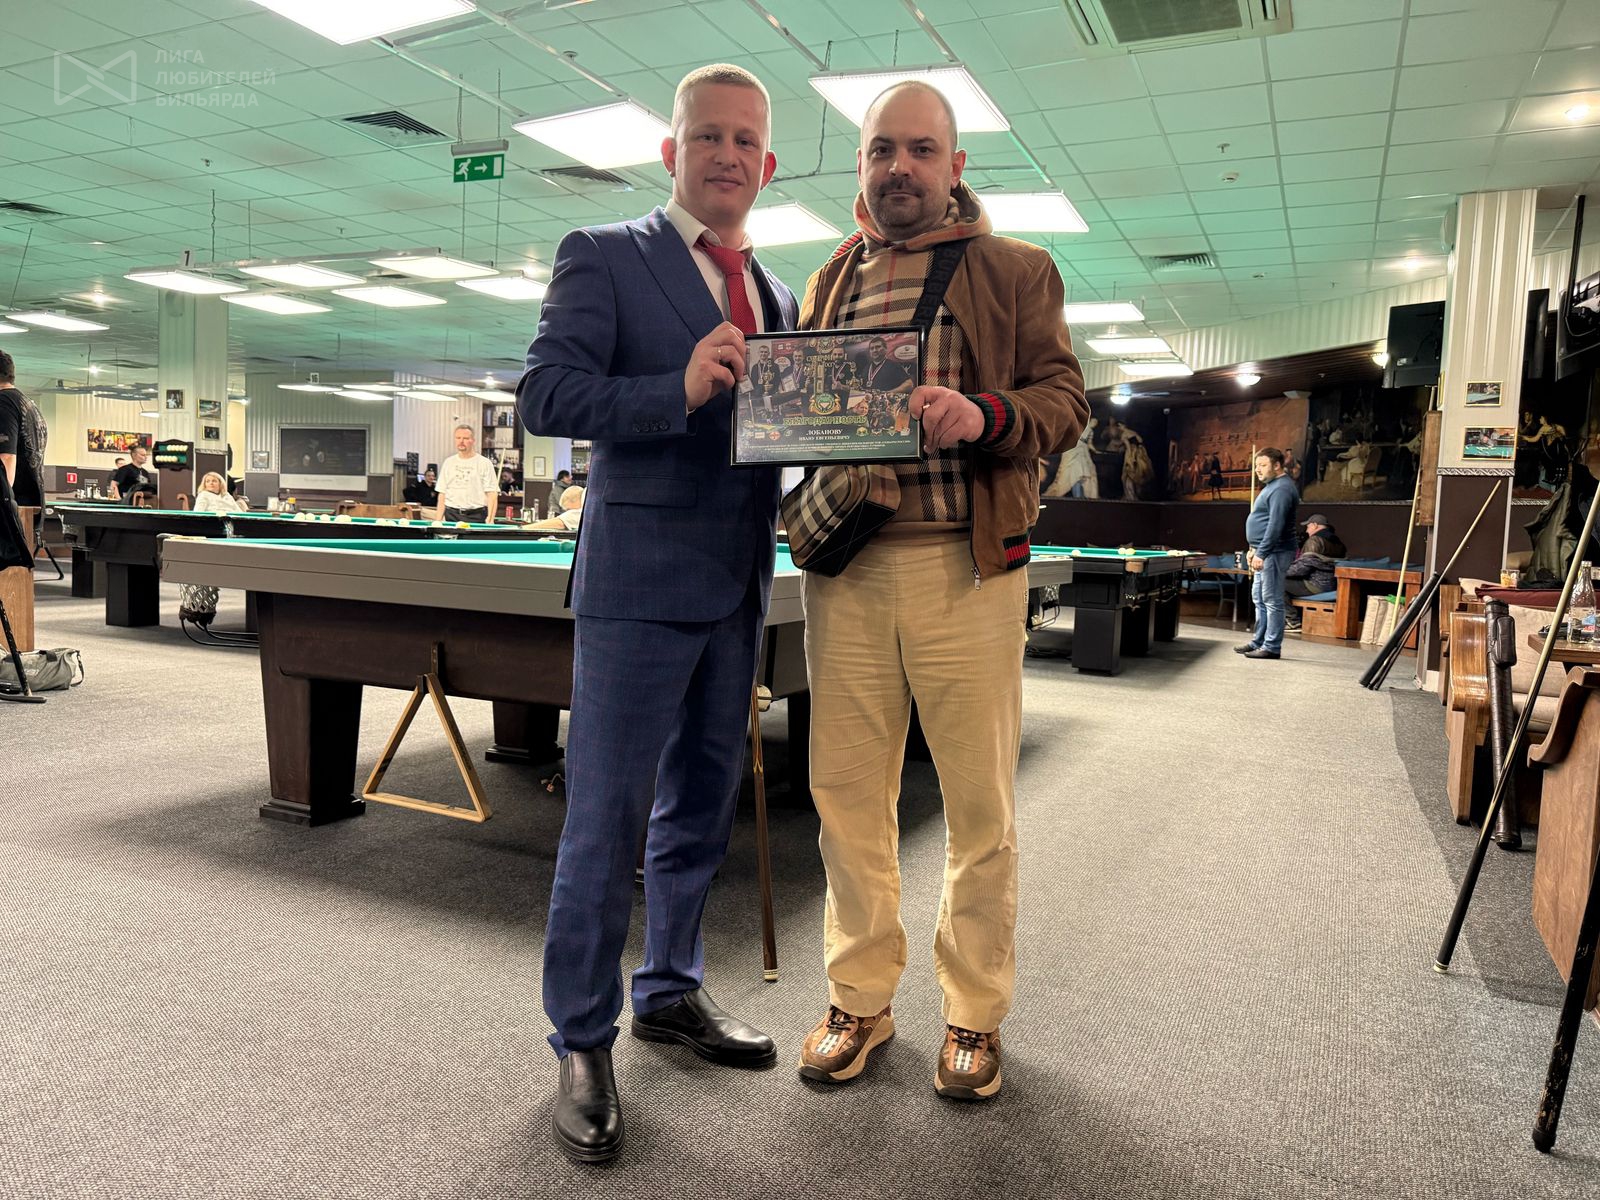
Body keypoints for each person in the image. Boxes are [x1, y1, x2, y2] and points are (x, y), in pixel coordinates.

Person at [516, 62, 797, 1164]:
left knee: (700, 808)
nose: (727, 154)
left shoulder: (777, 295)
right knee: (605, 820)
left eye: (746, 141)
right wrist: (671, 391)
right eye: (707, 136)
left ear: (767, 165)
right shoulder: (603, 254)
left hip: (739, 583)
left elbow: (774, 439)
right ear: (671, 152)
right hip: (636, 584)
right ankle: (580, 1040)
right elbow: (544, 395)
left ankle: (669, 989)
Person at [791, 81, 1086, 1101]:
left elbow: (1065, 400)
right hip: (847, 571)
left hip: (968, 569)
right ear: (861, 163)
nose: (899, 167)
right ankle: (859, 999)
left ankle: (973, 1015)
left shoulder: (1015, 268)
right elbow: (807, 411)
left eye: (921, 149)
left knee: (977, 805)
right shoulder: (829, 276)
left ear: (955, 165)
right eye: (882, 149)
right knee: (845, 798)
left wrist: (984, 414)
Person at [1237, 447, 1300, 660]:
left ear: (1277, 465)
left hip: (1275, 551)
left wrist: (1261, 552)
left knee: (1272, 599)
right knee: (1260, 598)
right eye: (1256, 466)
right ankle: (1259, 642)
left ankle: (1272, 646)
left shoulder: (1282, 488)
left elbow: (1276, 525)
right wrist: (1253, 549)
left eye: (1263, 465)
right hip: (1264, 550)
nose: (1258, 470)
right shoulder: (1272, 486)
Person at [1282, 514, 1347, 632]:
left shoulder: (1314, 541)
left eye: (1308, 527)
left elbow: (1302, 568)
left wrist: (1280, 571)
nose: (1306, 530)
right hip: (1332, 584)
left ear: (1315, 525)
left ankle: (1293, 621)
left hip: (1315, 584)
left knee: (1276, 583)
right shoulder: (1337, 542)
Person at [0, 350, 46, 509]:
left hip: (12, 508)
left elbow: (6, 457)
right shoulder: (28, 404)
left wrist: (4, 505)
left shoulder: (4, 402)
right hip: (31, 504)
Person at [432, 425, 498, 523]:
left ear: (473, 441)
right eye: (458, 438)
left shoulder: (484, 463)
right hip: (451, 514)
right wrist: (438, 520)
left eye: (466, 438)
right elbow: (442, 494)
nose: (461, 441)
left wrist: (491, 518)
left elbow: (492, 494)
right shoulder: (448, 463)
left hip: (477, 515)